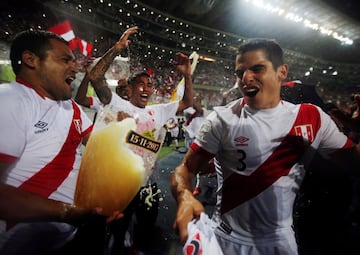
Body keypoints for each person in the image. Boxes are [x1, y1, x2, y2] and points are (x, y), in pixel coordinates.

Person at [170, 38, 360, 255]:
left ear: (282, 72)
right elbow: (185, 168)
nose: (246, 78)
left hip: (279, 243)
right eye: (240, 72)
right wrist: (184, 196)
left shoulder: (311, 117)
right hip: (224, 240)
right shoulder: (221, 119)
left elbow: (353, 161)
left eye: (257, 69)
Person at [0, 30, 122, 255]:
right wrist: (69, 213)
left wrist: (124, 128)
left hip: (69, 237)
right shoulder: (10, 100)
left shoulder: (71, 107)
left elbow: (102, 148)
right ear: (31, 60)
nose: (74, 68)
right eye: (65, 60)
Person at [88, 26, 194, 254]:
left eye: (150, 85)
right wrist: (117, 48)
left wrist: (187, 74)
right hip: (120, 182)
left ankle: (136, 248)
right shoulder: (117, 104)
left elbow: (187, 104)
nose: (147, 88)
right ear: (132, 87)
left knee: (147, 225)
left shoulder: (158, 111)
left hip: (149, 186)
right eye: (141, 84)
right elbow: (95, 76)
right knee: (117, 226)